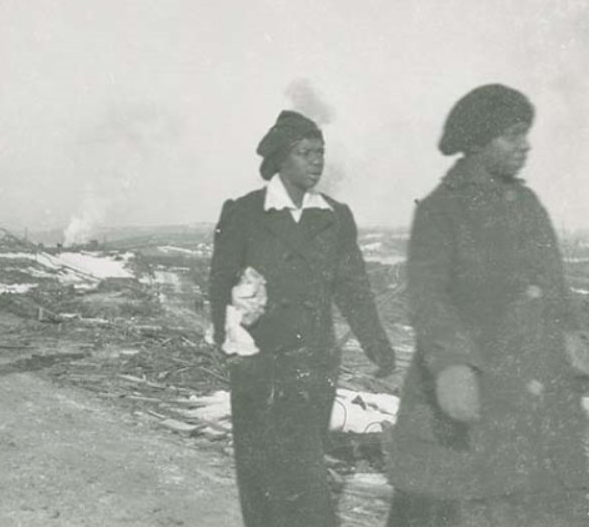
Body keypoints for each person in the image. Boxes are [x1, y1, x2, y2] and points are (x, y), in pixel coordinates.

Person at [386, 84, 589, 526]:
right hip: (474, 393)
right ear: (478, 141)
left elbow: (553, 285)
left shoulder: (529, 204)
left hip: (540, 400)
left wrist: (573, 335)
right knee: (459, 504)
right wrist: (453, 366)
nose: (526, 144)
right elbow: (428, 297)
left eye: (526, 133)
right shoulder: (442, 210)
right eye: (513, 134)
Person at [208, 110, 396, 527]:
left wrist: (377, 344)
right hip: (257, 362)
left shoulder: (334, 216)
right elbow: (220, 284)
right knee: (259, 471)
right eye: (305, 152)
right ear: (279, 159)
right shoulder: (244, 212)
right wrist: (229, 343)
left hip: (313, 362)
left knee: (304, 465)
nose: (317, 161)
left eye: (320, 152)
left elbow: (353, 289)